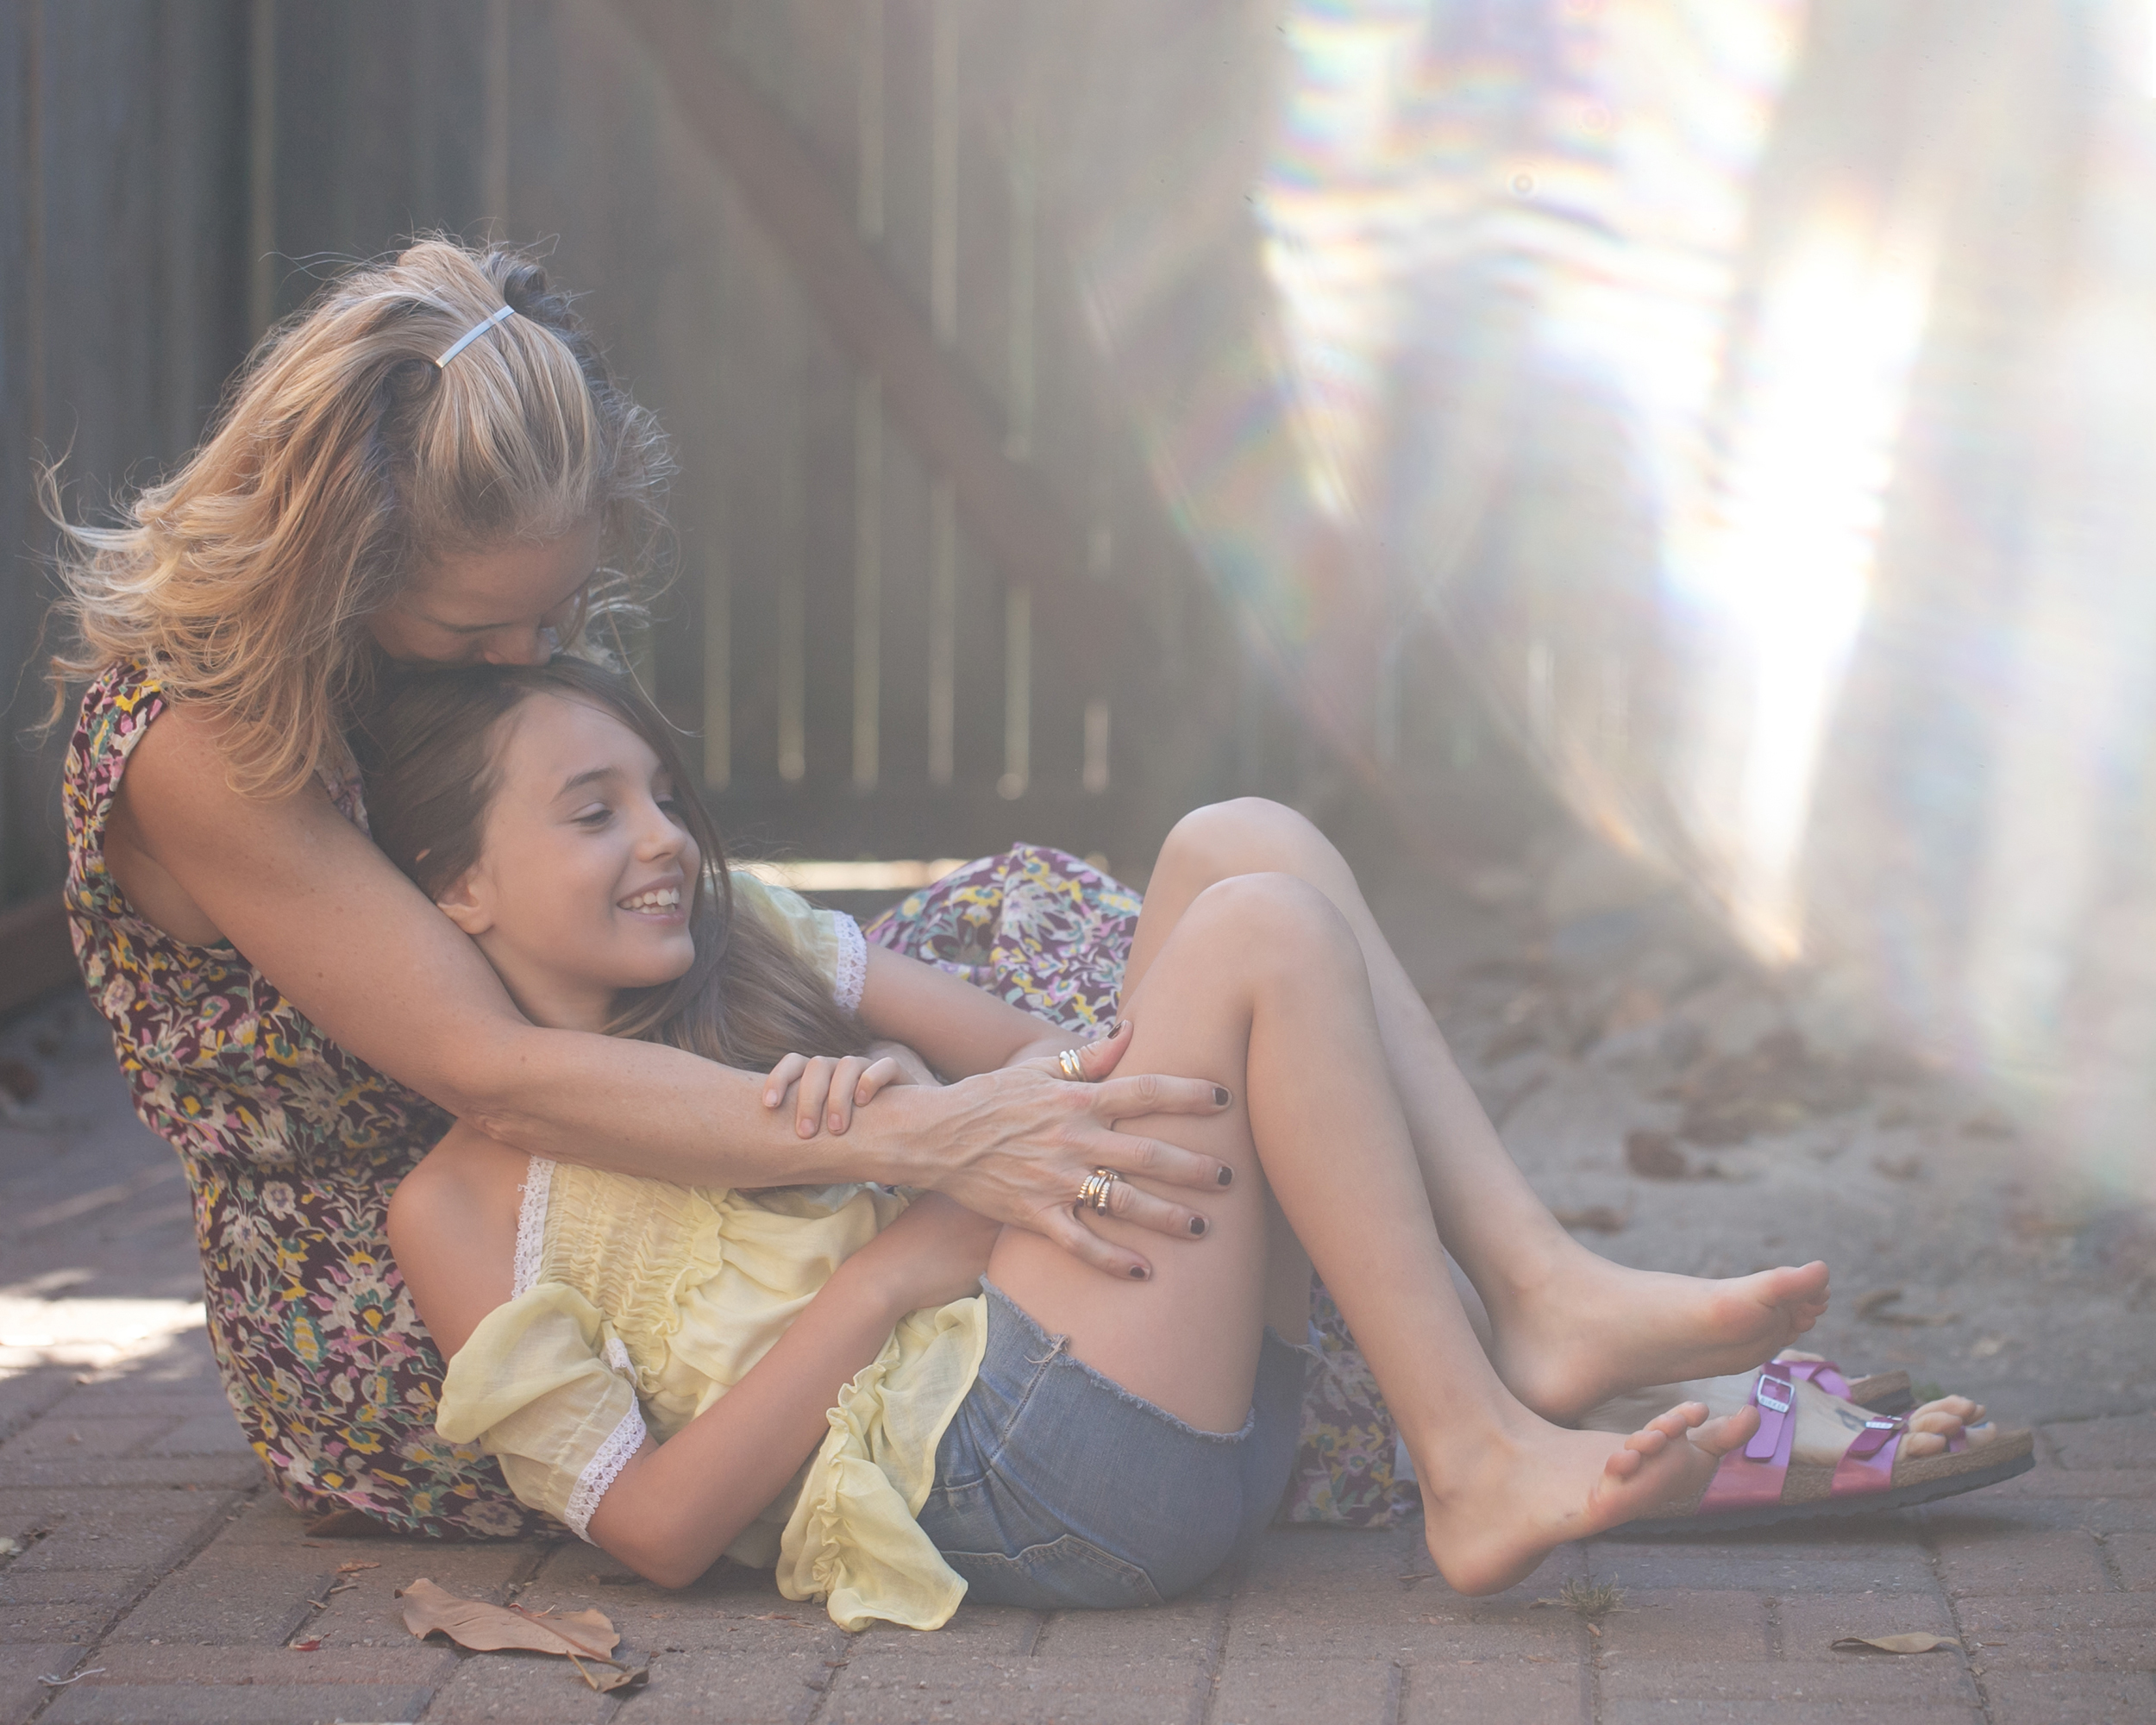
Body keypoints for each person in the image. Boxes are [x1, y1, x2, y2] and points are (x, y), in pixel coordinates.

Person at [47, 236, 1928, 1551]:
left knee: (1197, 905)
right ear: (338, 548)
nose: (523, 659)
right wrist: (936, 1149)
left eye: (554, 619)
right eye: (484, 634)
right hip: (484, 1291)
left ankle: (1534, 1298)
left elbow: (677, 966)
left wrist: (996, 1103)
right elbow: (500, 1075)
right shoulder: (200, 737)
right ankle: (1516, 1432)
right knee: (1183, 1091)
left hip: (687, 1152)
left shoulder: (445, 653)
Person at [363, 656, 1798, 1623]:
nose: (666, 838)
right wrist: (885, 1273)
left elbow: (1059, 1059)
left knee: (1245, 843)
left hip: (1142, 1401)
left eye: (665, 797)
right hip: (1005, 1482)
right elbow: (653, 1531)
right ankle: (1473, 1456)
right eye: (595, 814)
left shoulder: (753, 950)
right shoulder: (463, 1207)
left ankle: (1536, 1293)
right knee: (1257, 930)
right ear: (457, 887)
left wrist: (915, 1099)